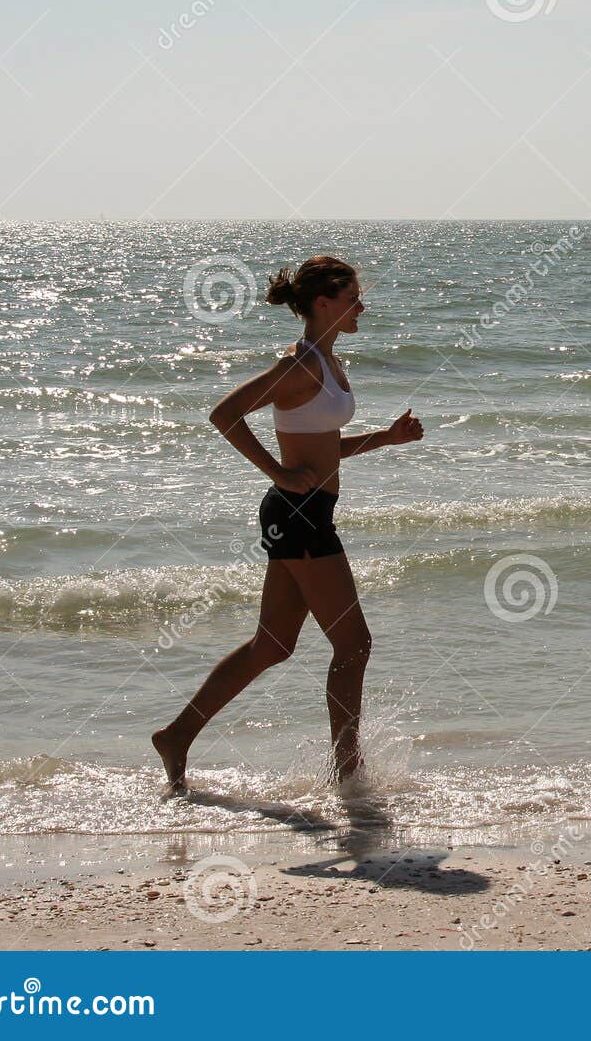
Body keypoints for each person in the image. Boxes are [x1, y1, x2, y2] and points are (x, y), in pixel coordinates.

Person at [152, 255, 423, 795]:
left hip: (306, 511)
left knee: (273, 644)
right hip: (299, 515)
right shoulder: (299, 365)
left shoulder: (328, 364)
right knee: (354, 645)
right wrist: (277, 472)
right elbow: (225, 414)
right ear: (323, 302)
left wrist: (385, 439)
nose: (361, 308)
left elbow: (323, 450)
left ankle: (176, 735)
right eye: (352, 299)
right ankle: (349, 774)